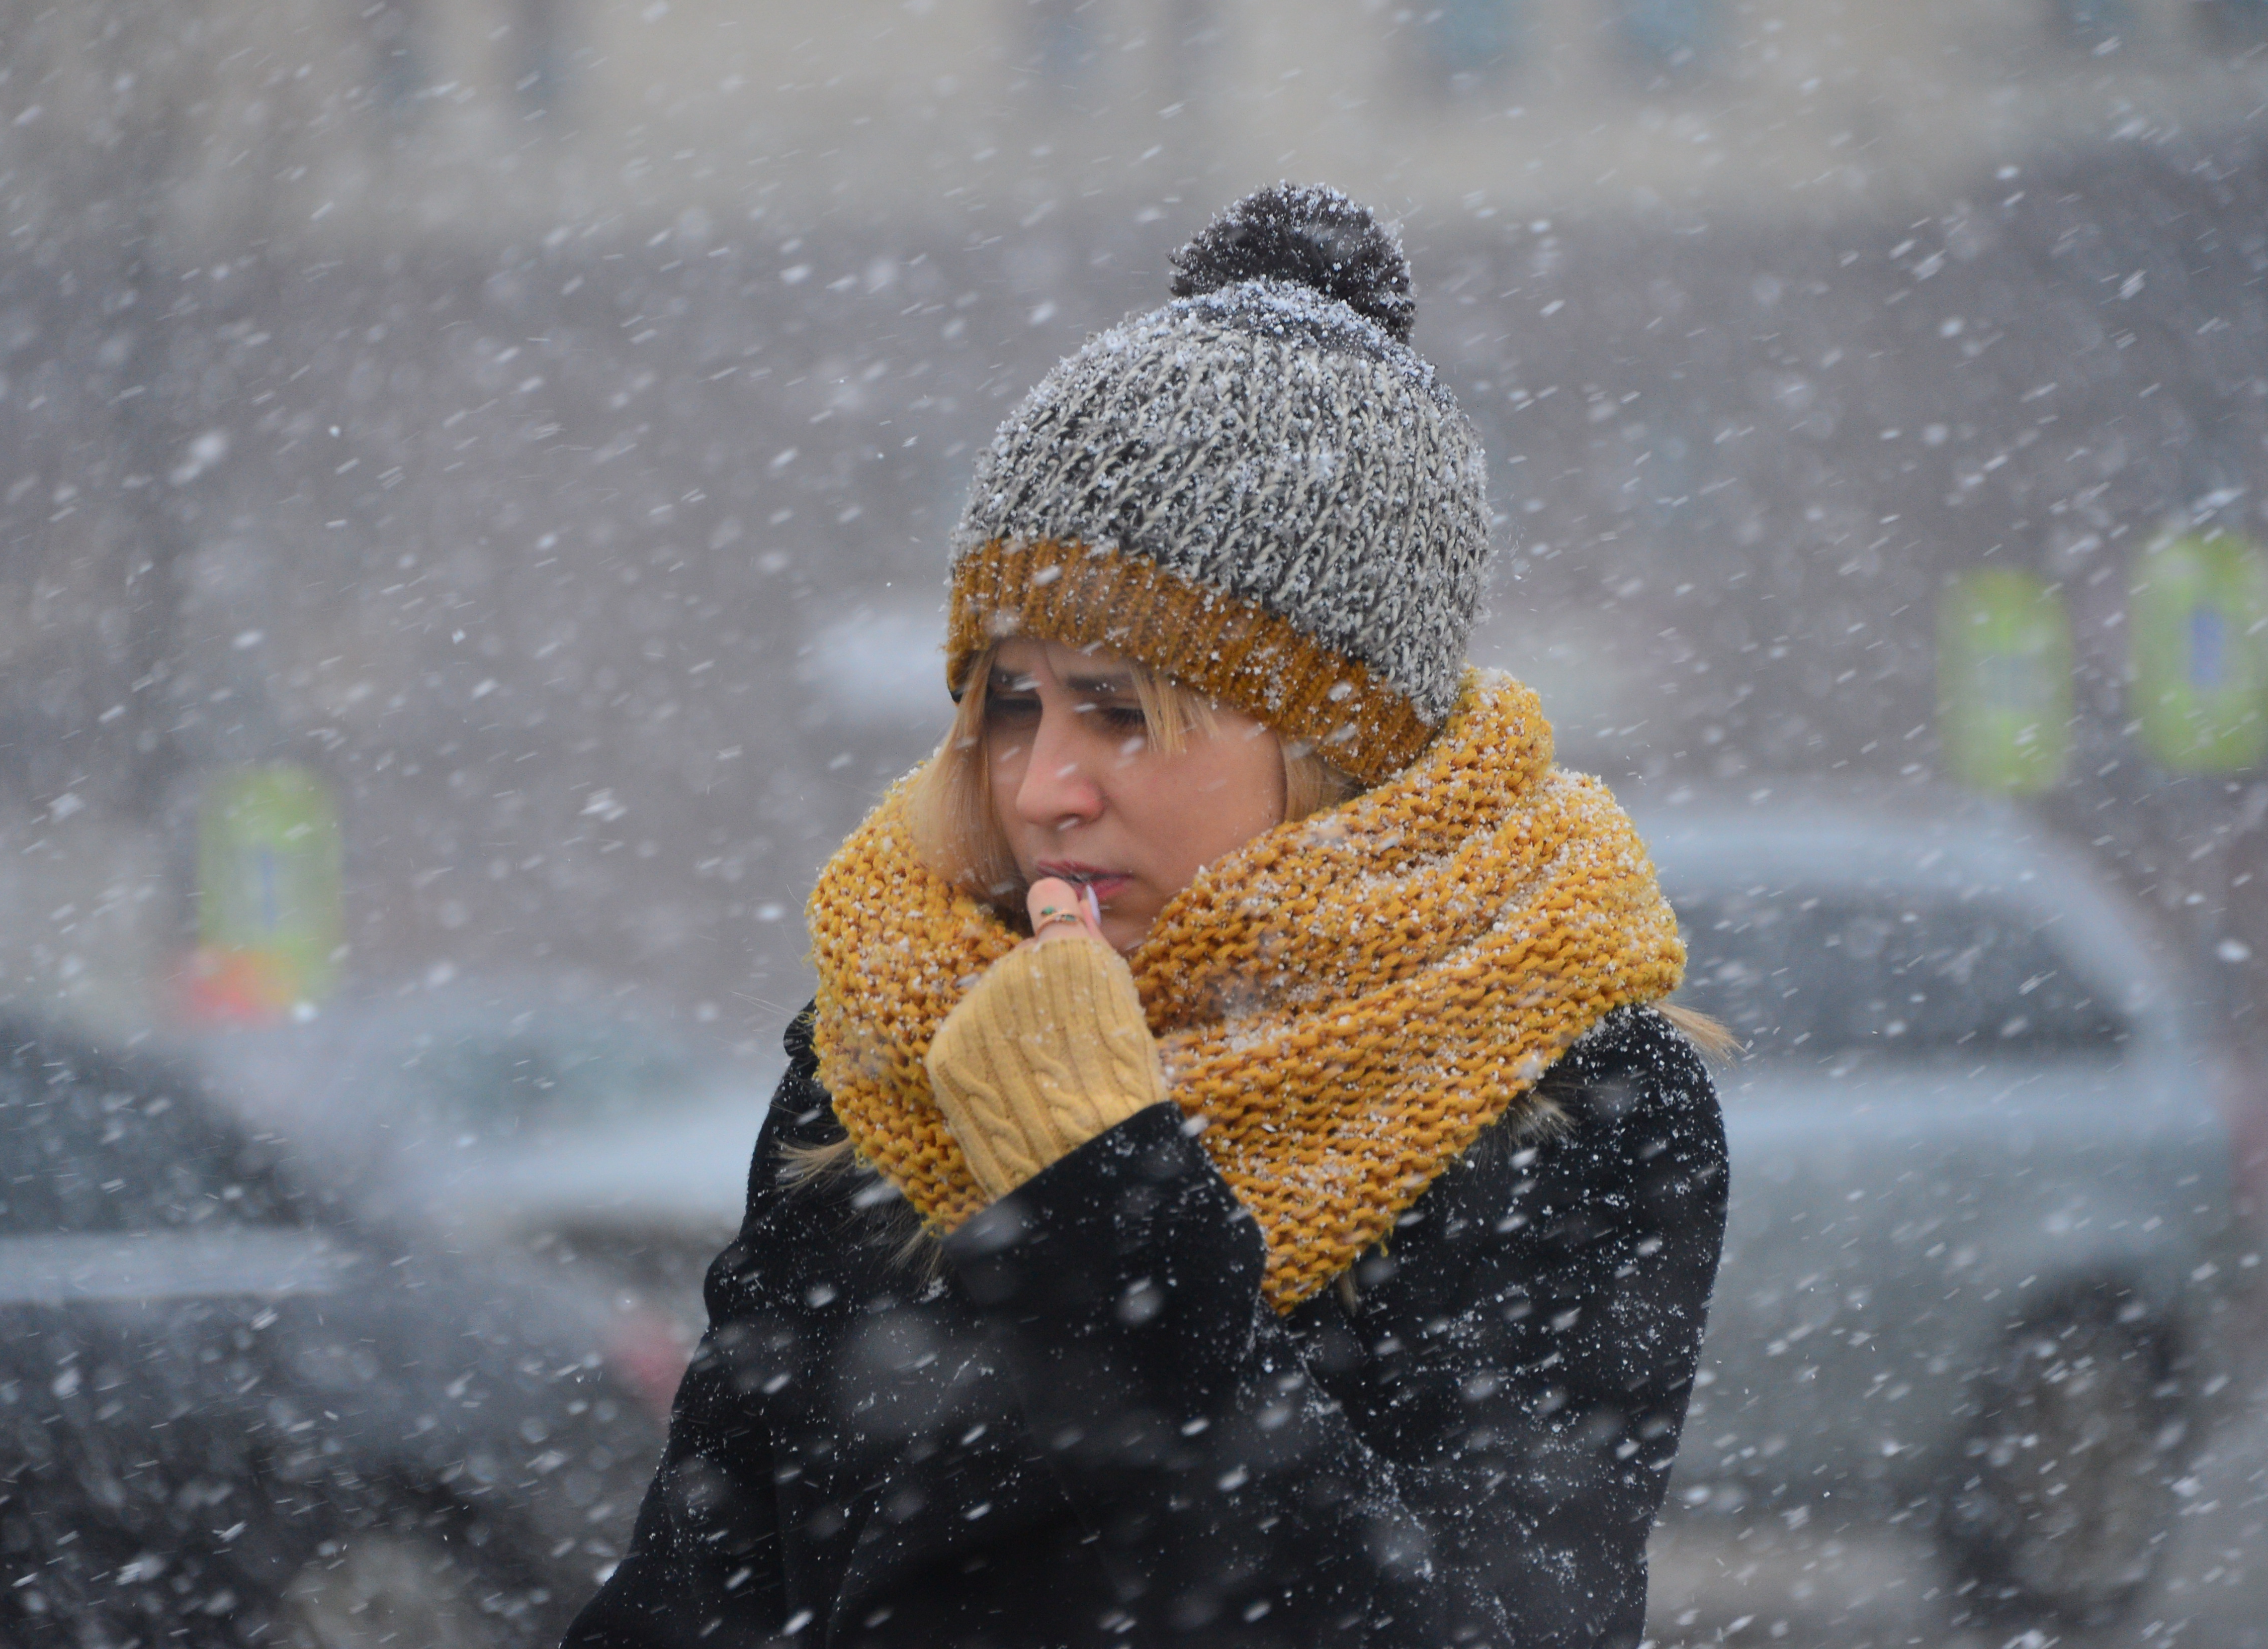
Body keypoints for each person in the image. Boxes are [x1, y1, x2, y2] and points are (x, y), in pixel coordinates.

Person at [564, 183, 1728, 1649]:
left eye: (1121, 710)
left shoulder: (1566, 1096)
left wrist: (1111, 1197)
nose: (1043, 786)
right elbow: (701, 1584)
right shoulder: (900, 1035)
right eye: (1010, 703)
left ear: (1335, 741)